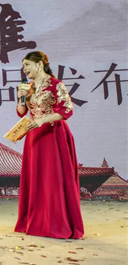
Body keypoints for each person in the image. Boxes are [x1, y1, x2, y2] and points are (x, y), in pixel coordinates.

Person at [15, 51, 84, 239]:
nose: (24, 69)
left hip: (54, 135)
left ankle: (57, 223)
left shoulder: (55, 84)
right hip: (34, 136)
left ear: (39, 64)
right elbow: (21, 112)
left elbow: (66, 110)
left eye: (27, 65)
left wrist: (43, 120)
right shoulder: (28, 87)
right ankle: (37, 222)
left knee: (53, 179)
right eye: (23, 66)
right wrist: (21, 97)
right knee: (36, 179)